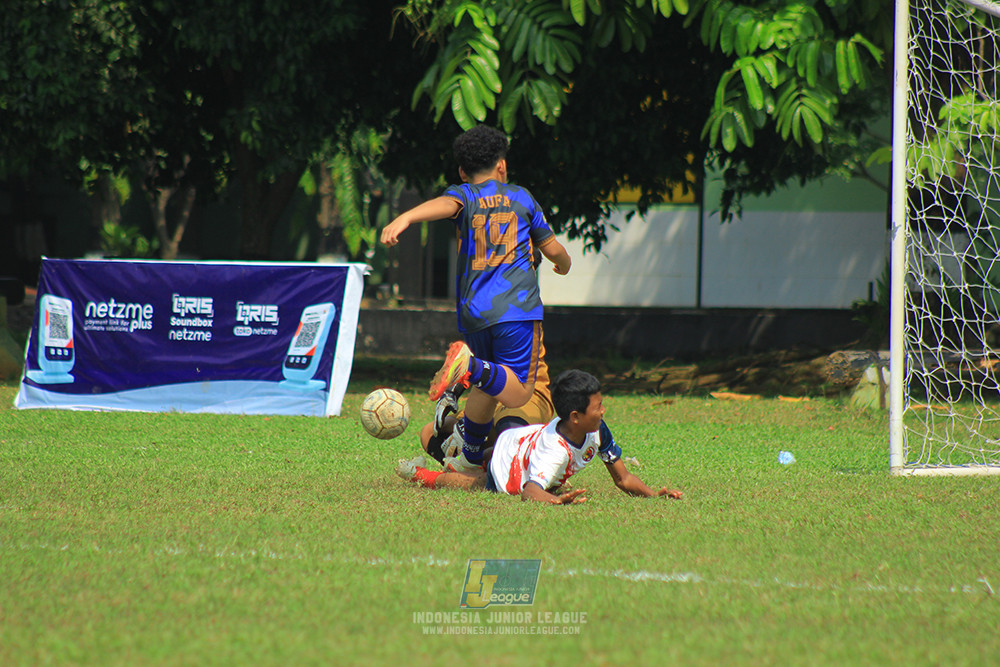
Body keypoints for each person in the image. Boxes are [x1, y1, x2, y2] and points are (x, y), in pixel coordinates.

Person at [380, 125, 571, 472]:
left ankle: (469, 460)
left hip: (473, 314)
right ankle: (469, 369)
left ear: (462, 172)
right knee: (518, 392)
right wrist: (564, 264)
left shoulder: (464, 196)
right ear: (502, 165)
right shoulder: (522, 198)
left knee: (487, 384)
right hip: (515, 311)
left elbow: (444, 204)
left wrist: (405, 216)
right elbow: (553, 249)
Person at [396, 369, 684, 505]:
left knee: (487, 458)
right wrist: (558, 502)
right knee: (478, 483)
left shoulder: (597, 429)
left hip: (519, 442)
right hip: (508, 463)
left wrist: (653, 495)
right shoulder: (554, 451)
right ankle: (418, 474)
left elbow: (623, 478)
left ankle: (457, 450)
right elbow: (530, 492)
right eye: (598, 407)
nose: (603, 411)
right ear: (575, 417)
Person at [418, 332, 554, 465]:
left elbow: (508, 361)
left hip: (524, 391)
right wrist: (452, 391)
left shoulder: (520, 320)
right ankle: (476, 465)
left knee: (512, 446)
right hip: (488, 394)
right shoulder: (479, 321)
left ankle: (483, 466)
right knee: (429, 434)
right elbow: (481, 354)